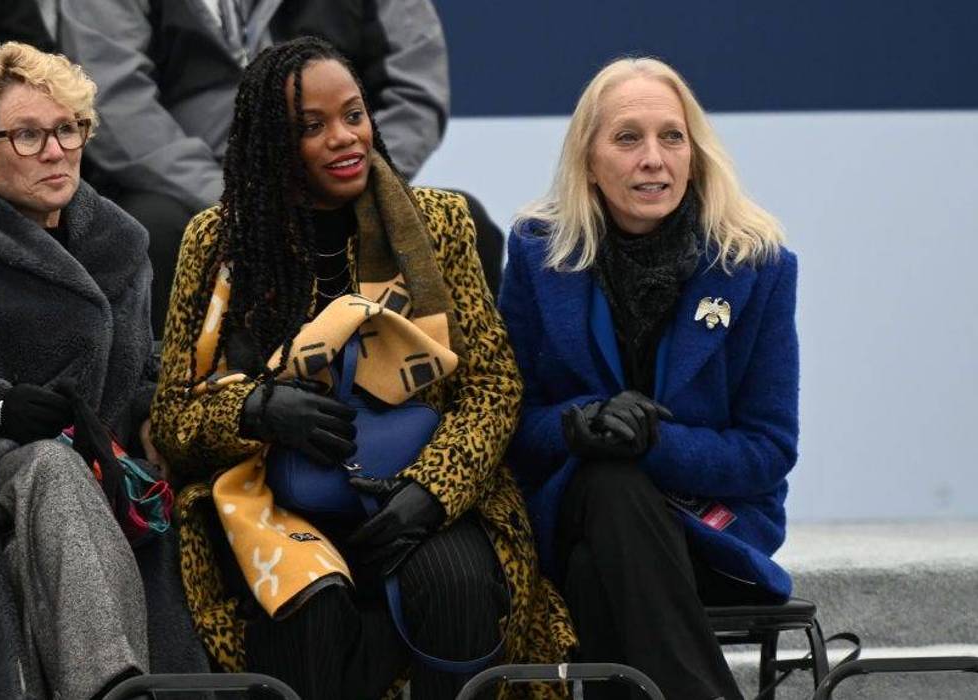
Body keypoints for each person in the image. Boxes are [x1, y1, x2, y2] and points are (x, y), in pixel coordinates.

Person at [150, 37, 574, 700]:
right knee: (304, 606)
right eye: (312, 127)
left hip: (416, 485)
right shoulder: (215, 243)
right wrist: (256, 411)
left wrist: (427, 496)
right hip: (270, 501)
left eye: (353, 114)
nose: (344, 138)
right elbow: (173, 420)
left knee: (455, 584)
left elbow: (490, 387)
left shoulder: (436, 224)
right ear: (270, 145)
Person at [0, 42, 208, 700]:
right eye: (29, 135)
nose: (56, 151)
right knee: (49, 468)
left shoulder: (121, 244)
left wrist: (162, 413)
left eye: (67, 129)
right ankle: (116, 689)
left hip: (106, 471)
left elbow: (141, 368)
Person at [499, 56, 798, 700]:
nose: (653, 159)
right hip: (571, 508)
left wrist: (654, 445)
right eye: (628, 138)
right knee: (606, 482)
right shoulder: (537, 252)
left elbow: (769, 451)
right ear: (589, 157)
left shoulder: (756, 263)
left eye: (672, 136)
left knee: (599, 555)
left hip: (710, 532)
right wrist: (579, 425)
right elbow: (511, 425)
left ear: (695, 153)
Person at [57, 0, 505, 335]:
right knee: (150, 230)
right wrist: (240, 196)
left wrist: (356, 170)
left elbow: (415, 89)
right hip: (188, 185)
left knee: (464, 220)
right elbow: (112, 99)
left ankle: (458, 410)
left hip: (342, 171)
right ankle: (154, 428)